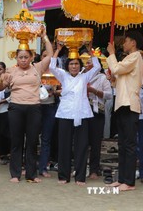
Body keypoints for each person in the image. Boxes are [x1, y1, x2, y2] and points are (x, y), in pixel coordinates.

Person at [0, 29, 53, 183]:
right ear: (16, 57)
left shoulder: (37, 68)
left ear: (31, 57)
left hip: (34, 108)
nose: (23, 60)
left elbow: (50, 53)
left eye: (26, 57)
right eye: (20, 57)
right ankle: (15, 174)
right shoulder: (10, 70)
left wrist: (44, 37)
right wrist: (2, 80)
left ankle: (31, 174)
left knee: (33, 141)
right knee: (16, 141)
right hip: (16, 107)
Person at [49, 42, 101, 185]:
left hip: (82, 114)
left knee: (82, 146)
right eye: (71, 64)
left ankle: (80, 177)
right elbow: (52, 67)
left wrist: (91, 51)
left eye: (76, 64)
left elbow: (97, 67)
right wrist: (58, 50)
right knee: (64, 145)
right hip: (65, 114)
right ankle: (63, 176)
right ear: (67, 66)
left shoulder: (84, 77)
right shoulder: (63, 76)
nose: (74, 66)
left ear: (80, 65)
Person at [107, 31, 143, 191]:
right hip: (122, 103)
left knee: (128, 144)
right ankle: (122, 178)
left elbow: (116, 68)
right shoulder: (129, 58)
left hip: (129, 104)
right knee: (122, 143)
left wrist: (112, 54)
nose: (123, 43)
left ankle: (129, 182)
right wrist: (114, 80)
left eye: (126, 41)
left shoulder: (135, 56)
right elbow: (119, 77)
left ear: (133, 43)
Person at [85, 57, 112, 179]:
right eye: (86, 62)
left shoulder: (102, 78)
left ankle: (94, 170)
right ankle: (80, 168)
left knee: (96, 142)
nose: (87, 64)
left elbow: (109, 95)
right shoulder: (81, 75)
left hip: (97, 112)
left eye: (89, 62)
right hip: (82, 111)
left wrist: (93, 91)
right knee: (82, 142)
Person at [38, 49, 58, 178]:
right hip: (35, 107)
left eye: (48, 56)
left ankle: (43, 167)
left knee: (46, 139)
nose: (46, 58)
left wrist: (54, 92)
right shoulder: (35, 71)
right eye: (44, 56)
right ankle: (29, 166)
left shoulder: (55, 73)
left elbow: (63, 88)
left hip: (50, 107)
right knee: (31, 138)